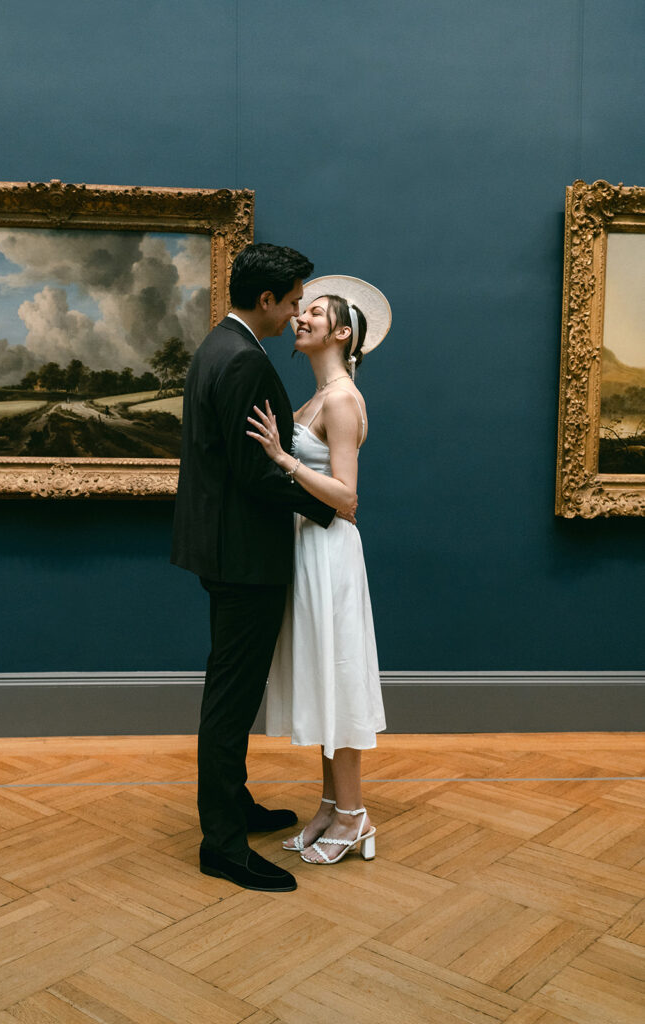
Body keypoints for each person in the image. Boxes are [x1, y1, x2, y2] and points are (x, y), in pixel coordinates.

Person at [171, 245, 357, 894]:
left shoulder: (217, 346)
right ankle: (222, 843)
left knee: (232, 692)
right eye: (294, 300)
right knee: (230, 701)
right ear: (268, 301)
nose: (298, 311)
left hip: (221, 550)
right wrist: (330, 507)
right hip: (243, 557)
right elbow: (253, 470)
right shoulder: (244, 361)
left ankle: (236, 809)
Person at [246, 275, 391, 865]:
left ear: (343, 332)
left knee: (340, 679)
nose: (300, 318)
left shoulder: (341, 399)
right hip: (309, 552)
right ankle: (331, 806)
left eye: (315, 313)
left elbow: (348, 497)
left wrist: (282, 459)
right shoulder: (316, 396)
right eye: (300, 311)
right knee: (325, 683)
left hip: (330, 553)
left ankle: (355, 815)